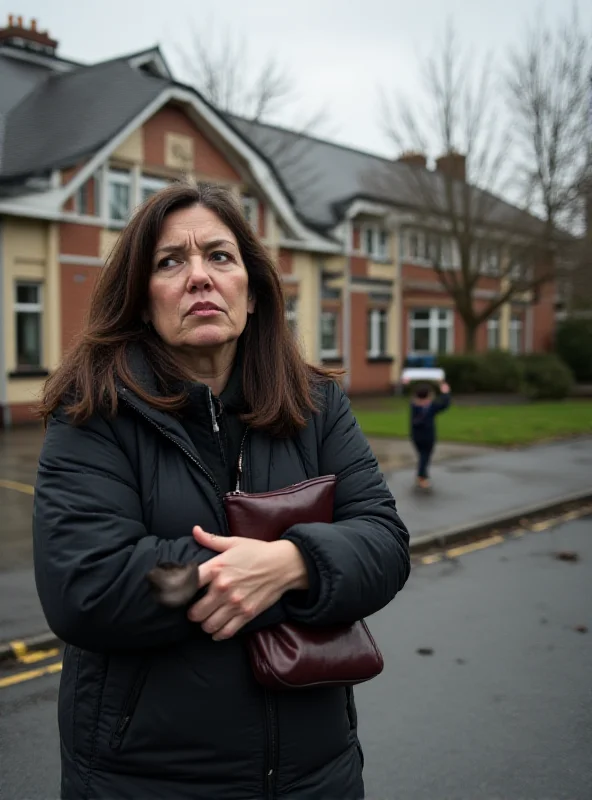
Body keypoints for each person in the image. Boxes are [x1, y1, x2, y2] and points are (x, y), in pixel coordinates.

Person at [33, 181, 410, 800]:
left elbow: (386, 544)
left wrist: (293, 563)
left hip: (316, 778)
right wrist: (231, 574)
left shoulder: (317, 406)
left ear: (253, 292)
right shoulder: (94, 412)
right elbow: (87, 584)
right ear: (140, 297)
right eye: (170, 261)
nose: (200, 277)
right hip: (146, 783)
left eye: (220, 256)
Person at [409, 380, 451, 489]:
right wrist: (445, 391)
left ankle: (423, 475)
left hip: (415, 437)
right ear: (429, 395)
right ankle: (422, 477)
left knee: (423, 456)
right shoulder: (431, 407)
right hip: (428, 437)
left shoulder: (413, 405)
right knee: (425, 456)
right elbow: (445, 404)